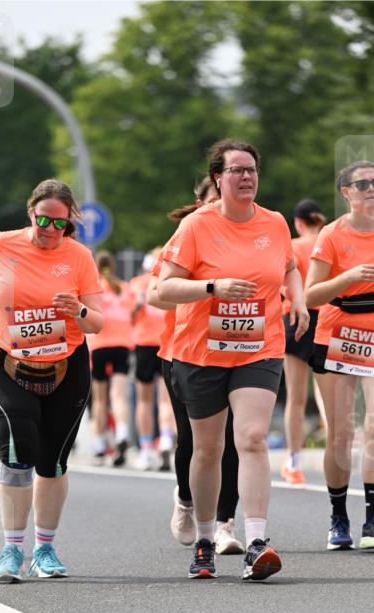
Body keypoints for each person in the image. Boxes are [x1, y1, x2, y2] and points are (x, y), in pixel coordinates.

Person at [159, 139, 308, 580]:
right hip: (200, 351)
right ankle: (205, 541)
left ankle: (257, 541)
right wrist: (212, 288)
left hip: (259, 347)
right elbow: (160, 291)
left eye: (252, 170)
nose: (246, 177)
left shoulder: (275, 223)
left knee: (254, 437)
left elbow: (289, 267)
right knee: (207, 448)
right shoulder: (196, 227)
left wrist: (296, 299)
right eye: (237, 170)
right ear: (218, 179)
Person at [0, 178, 103, 582]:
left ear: (69, 222)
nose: (50, 229)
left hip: (66, 366)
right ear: (31, 212)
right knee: (18, 445)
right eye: (43, 220)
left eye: (60, 223)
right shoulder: (1, 245)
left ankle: (44, 547)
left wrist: (77, 309)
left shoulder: (79, 257)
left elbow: (97, 322)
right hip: (6, 361)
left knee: (53, 462)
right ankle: (11, 550)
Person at [304, 159, 374, 550]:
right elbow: (311, 294)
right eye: (362, 183)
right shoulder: (331, 235)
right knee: (340, 434)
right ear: (346, 193)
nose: (372, 189)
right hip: (337, 334)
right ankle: (338, 520)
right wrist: (348, 278)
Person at [148, 177, 244, 556]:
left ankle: (224, 524)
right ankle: (186, 499)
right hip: (183, 353)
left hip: (239, 350)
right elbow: (155, 296)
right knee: (194, 441)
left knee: (234, 440)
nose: (222, 206)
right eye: (214, 199)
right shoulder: (185, 238)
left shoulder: (251, 236)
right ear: (200, 202)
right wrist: (205, 289)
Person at [280, 198, 327, 485]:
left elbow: (280, 284)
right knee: (327, 395)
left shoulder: (293, 247)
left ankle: (295, 463)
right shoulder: (329, 244)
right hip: (327, 318)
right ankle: (336, 454)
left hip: (295, 317)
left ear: (298, 222)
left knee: (295, 399)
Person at [129, 249, 176, 471]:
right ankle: (166, 438)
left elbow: (126, 316)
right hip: (167, 342)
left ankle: (146, 448)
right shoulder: (173, 281)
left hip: (144, 343)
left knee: (144, 400)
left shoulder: (138, 283)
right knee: (166, 398)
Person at [88, 251, 134, 467]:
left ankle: (98, 445)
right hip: (122, 345)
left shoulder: (94, 288)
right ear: (113, 266)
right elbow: (133, 315)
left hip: (99, 345)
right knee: (119, 395)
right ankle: (122, 433)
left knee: (99, 399)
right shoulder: (124, 288)